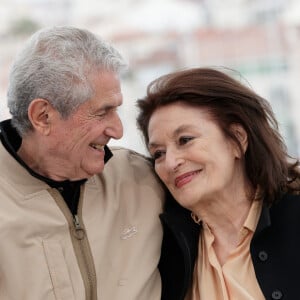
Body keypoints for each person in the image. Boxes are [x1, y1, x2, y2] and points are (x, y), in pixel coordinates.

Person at [0, 26, 164, 300]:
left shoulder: (147, 180)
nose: (117, 130)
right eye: (103, 112)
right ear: (43, 117)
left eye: (116, 109)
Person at [137, 67, 300, 300]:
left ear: (237, 139)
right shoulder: (165, 251)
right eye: (158, 153)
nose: (171, 162)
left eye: (185, 140)